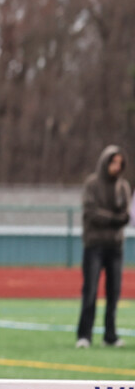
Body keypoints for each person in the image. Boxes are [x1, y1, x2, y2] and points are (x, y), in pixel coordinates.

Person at [75, 144, 128, 348]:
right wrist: (114, 219)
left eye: (120, 163)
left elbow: (125, 215)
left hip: (115, 246)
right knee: (90, 291)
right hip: (94, 245)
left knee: (114, 293)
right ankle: (84, 335)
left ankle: (110, 335)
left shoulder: (123, 187)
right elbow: (91, 213)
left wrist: (117, 219)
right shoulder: (92, 184)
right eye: (113, 162)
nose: (116, 167)